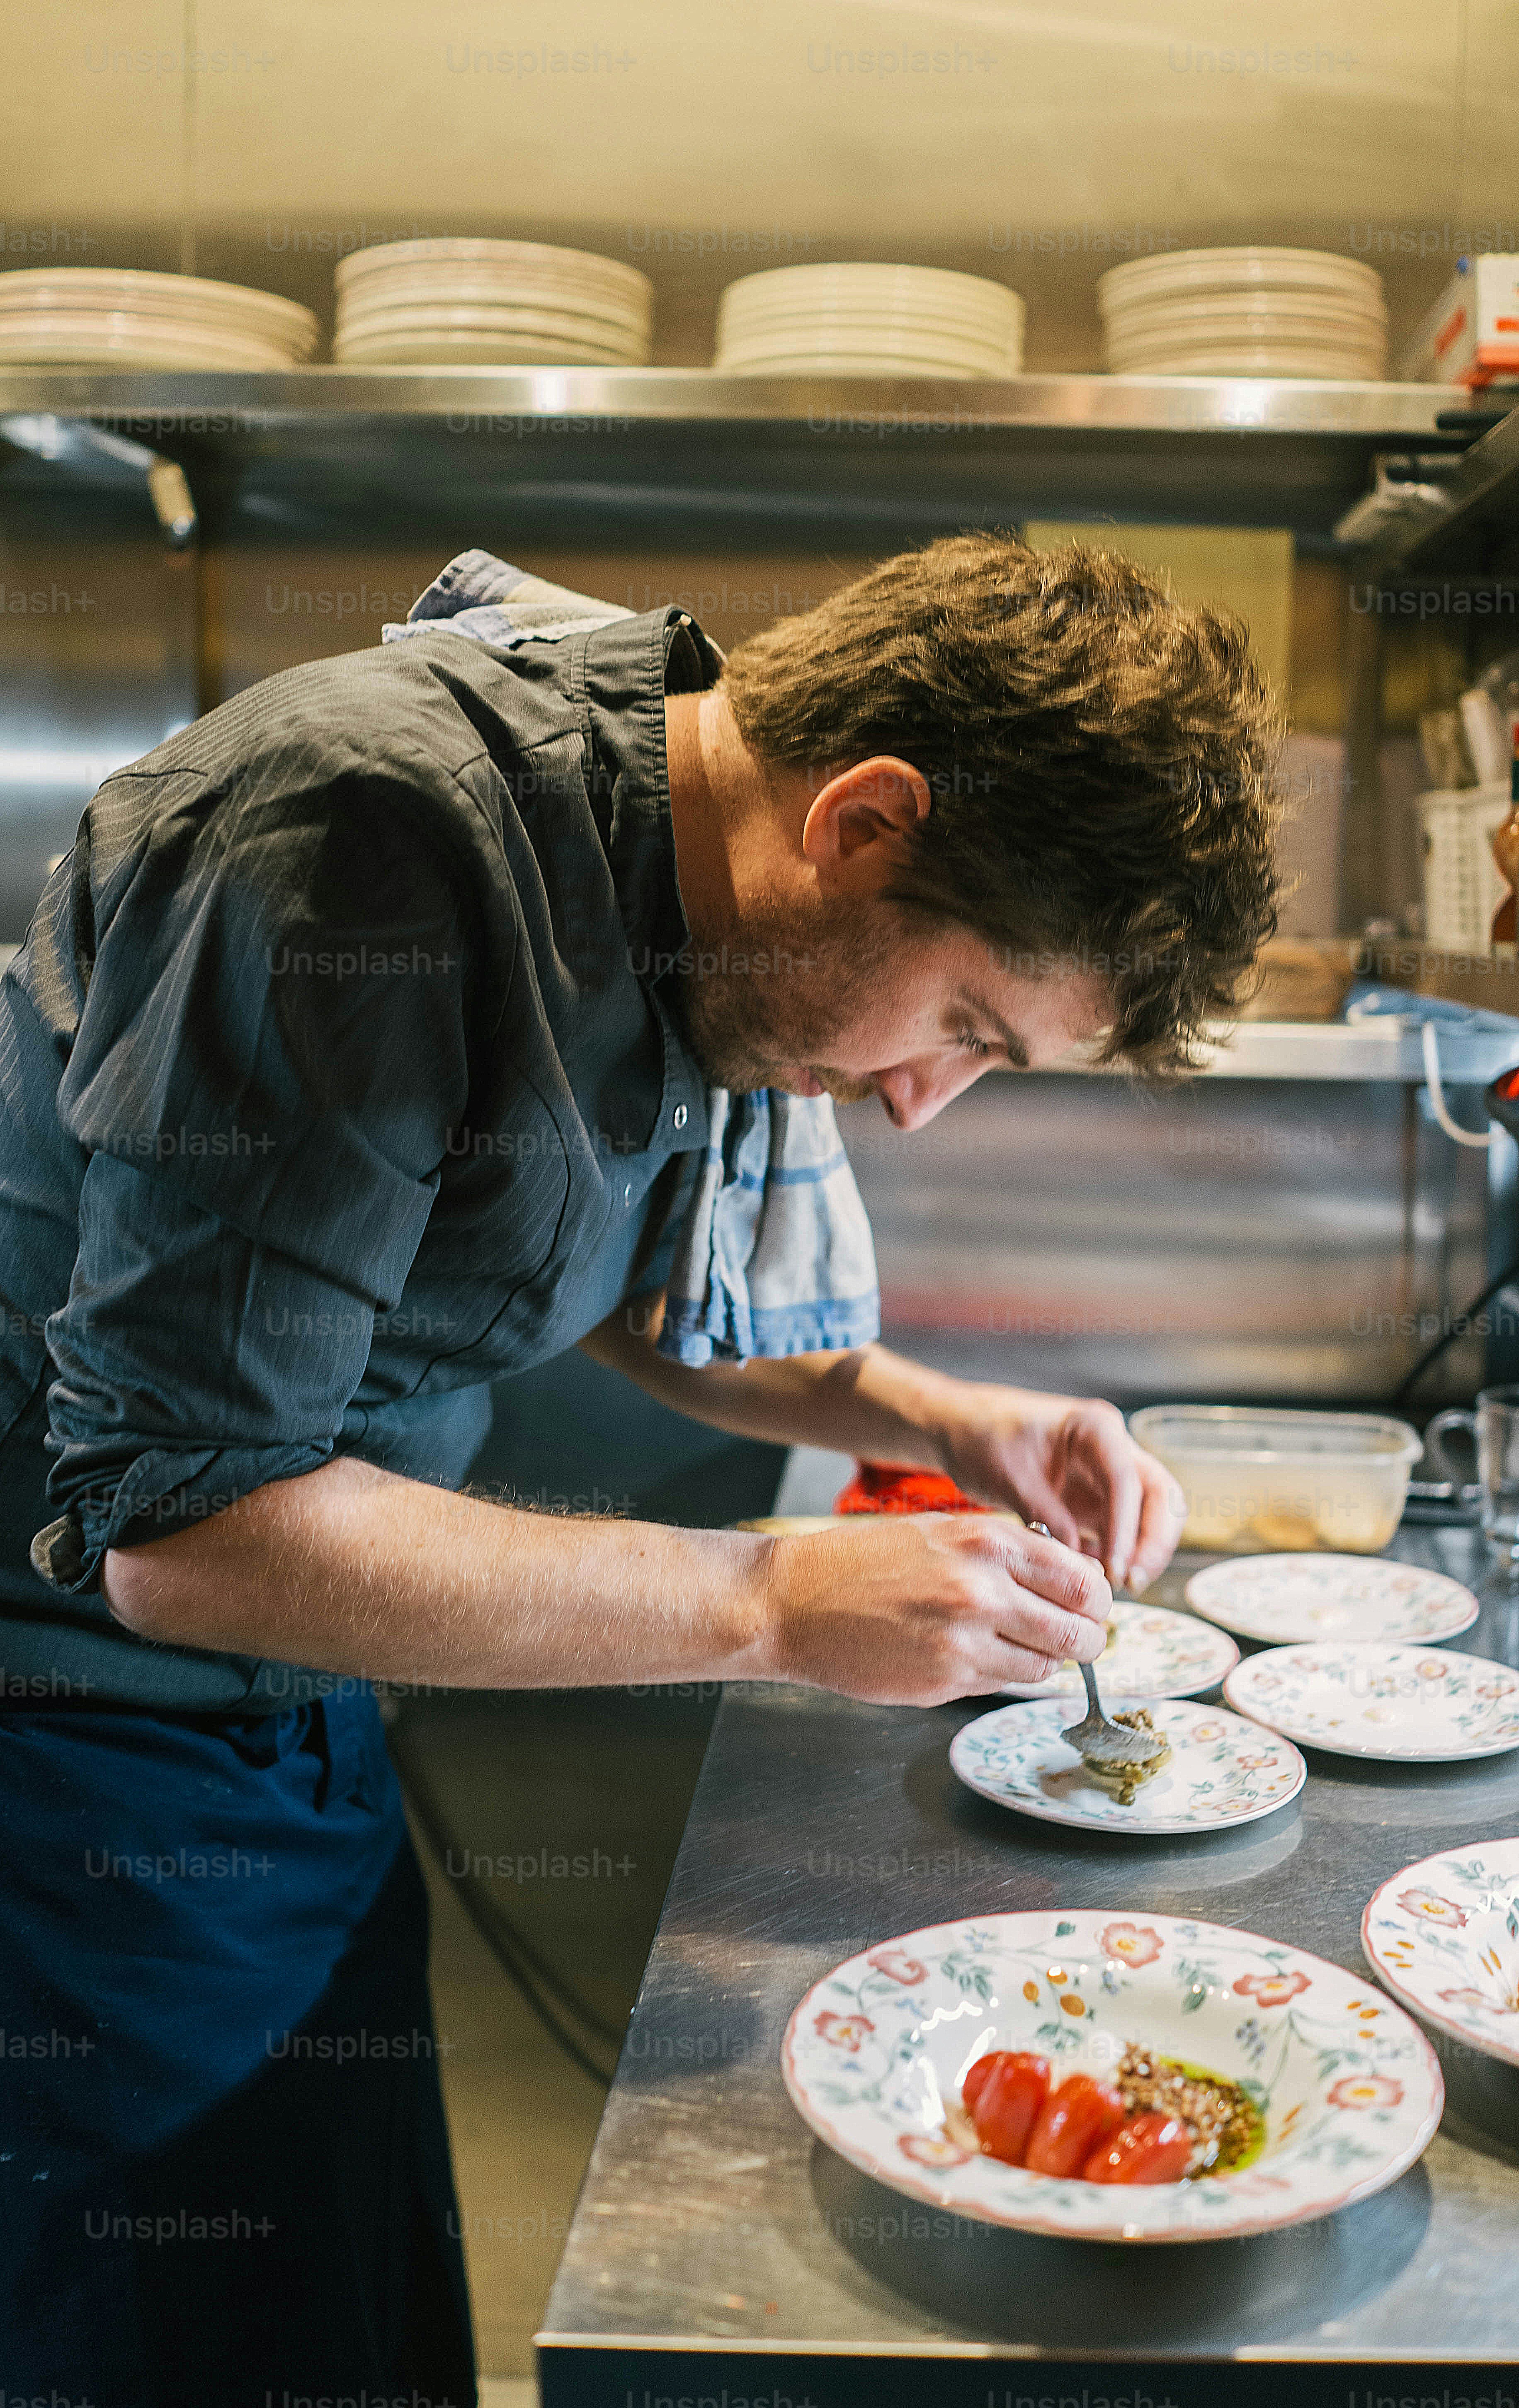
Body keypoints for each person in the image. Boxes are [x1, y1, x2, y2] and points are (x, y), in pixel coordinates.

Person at [0, 531, 1278, 2403]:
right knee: (159, 2340)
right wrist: (772, 1602)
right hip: (75, 1768)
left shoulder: (676, 886)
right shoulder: (361, 846)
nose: (927, 1102)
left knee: (340, 2323)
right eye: (963, 1029)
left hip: (302, 1725)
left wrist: (942, 1423)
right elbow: (182, 1531)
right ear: (862, 819)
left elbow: (560, 1272)